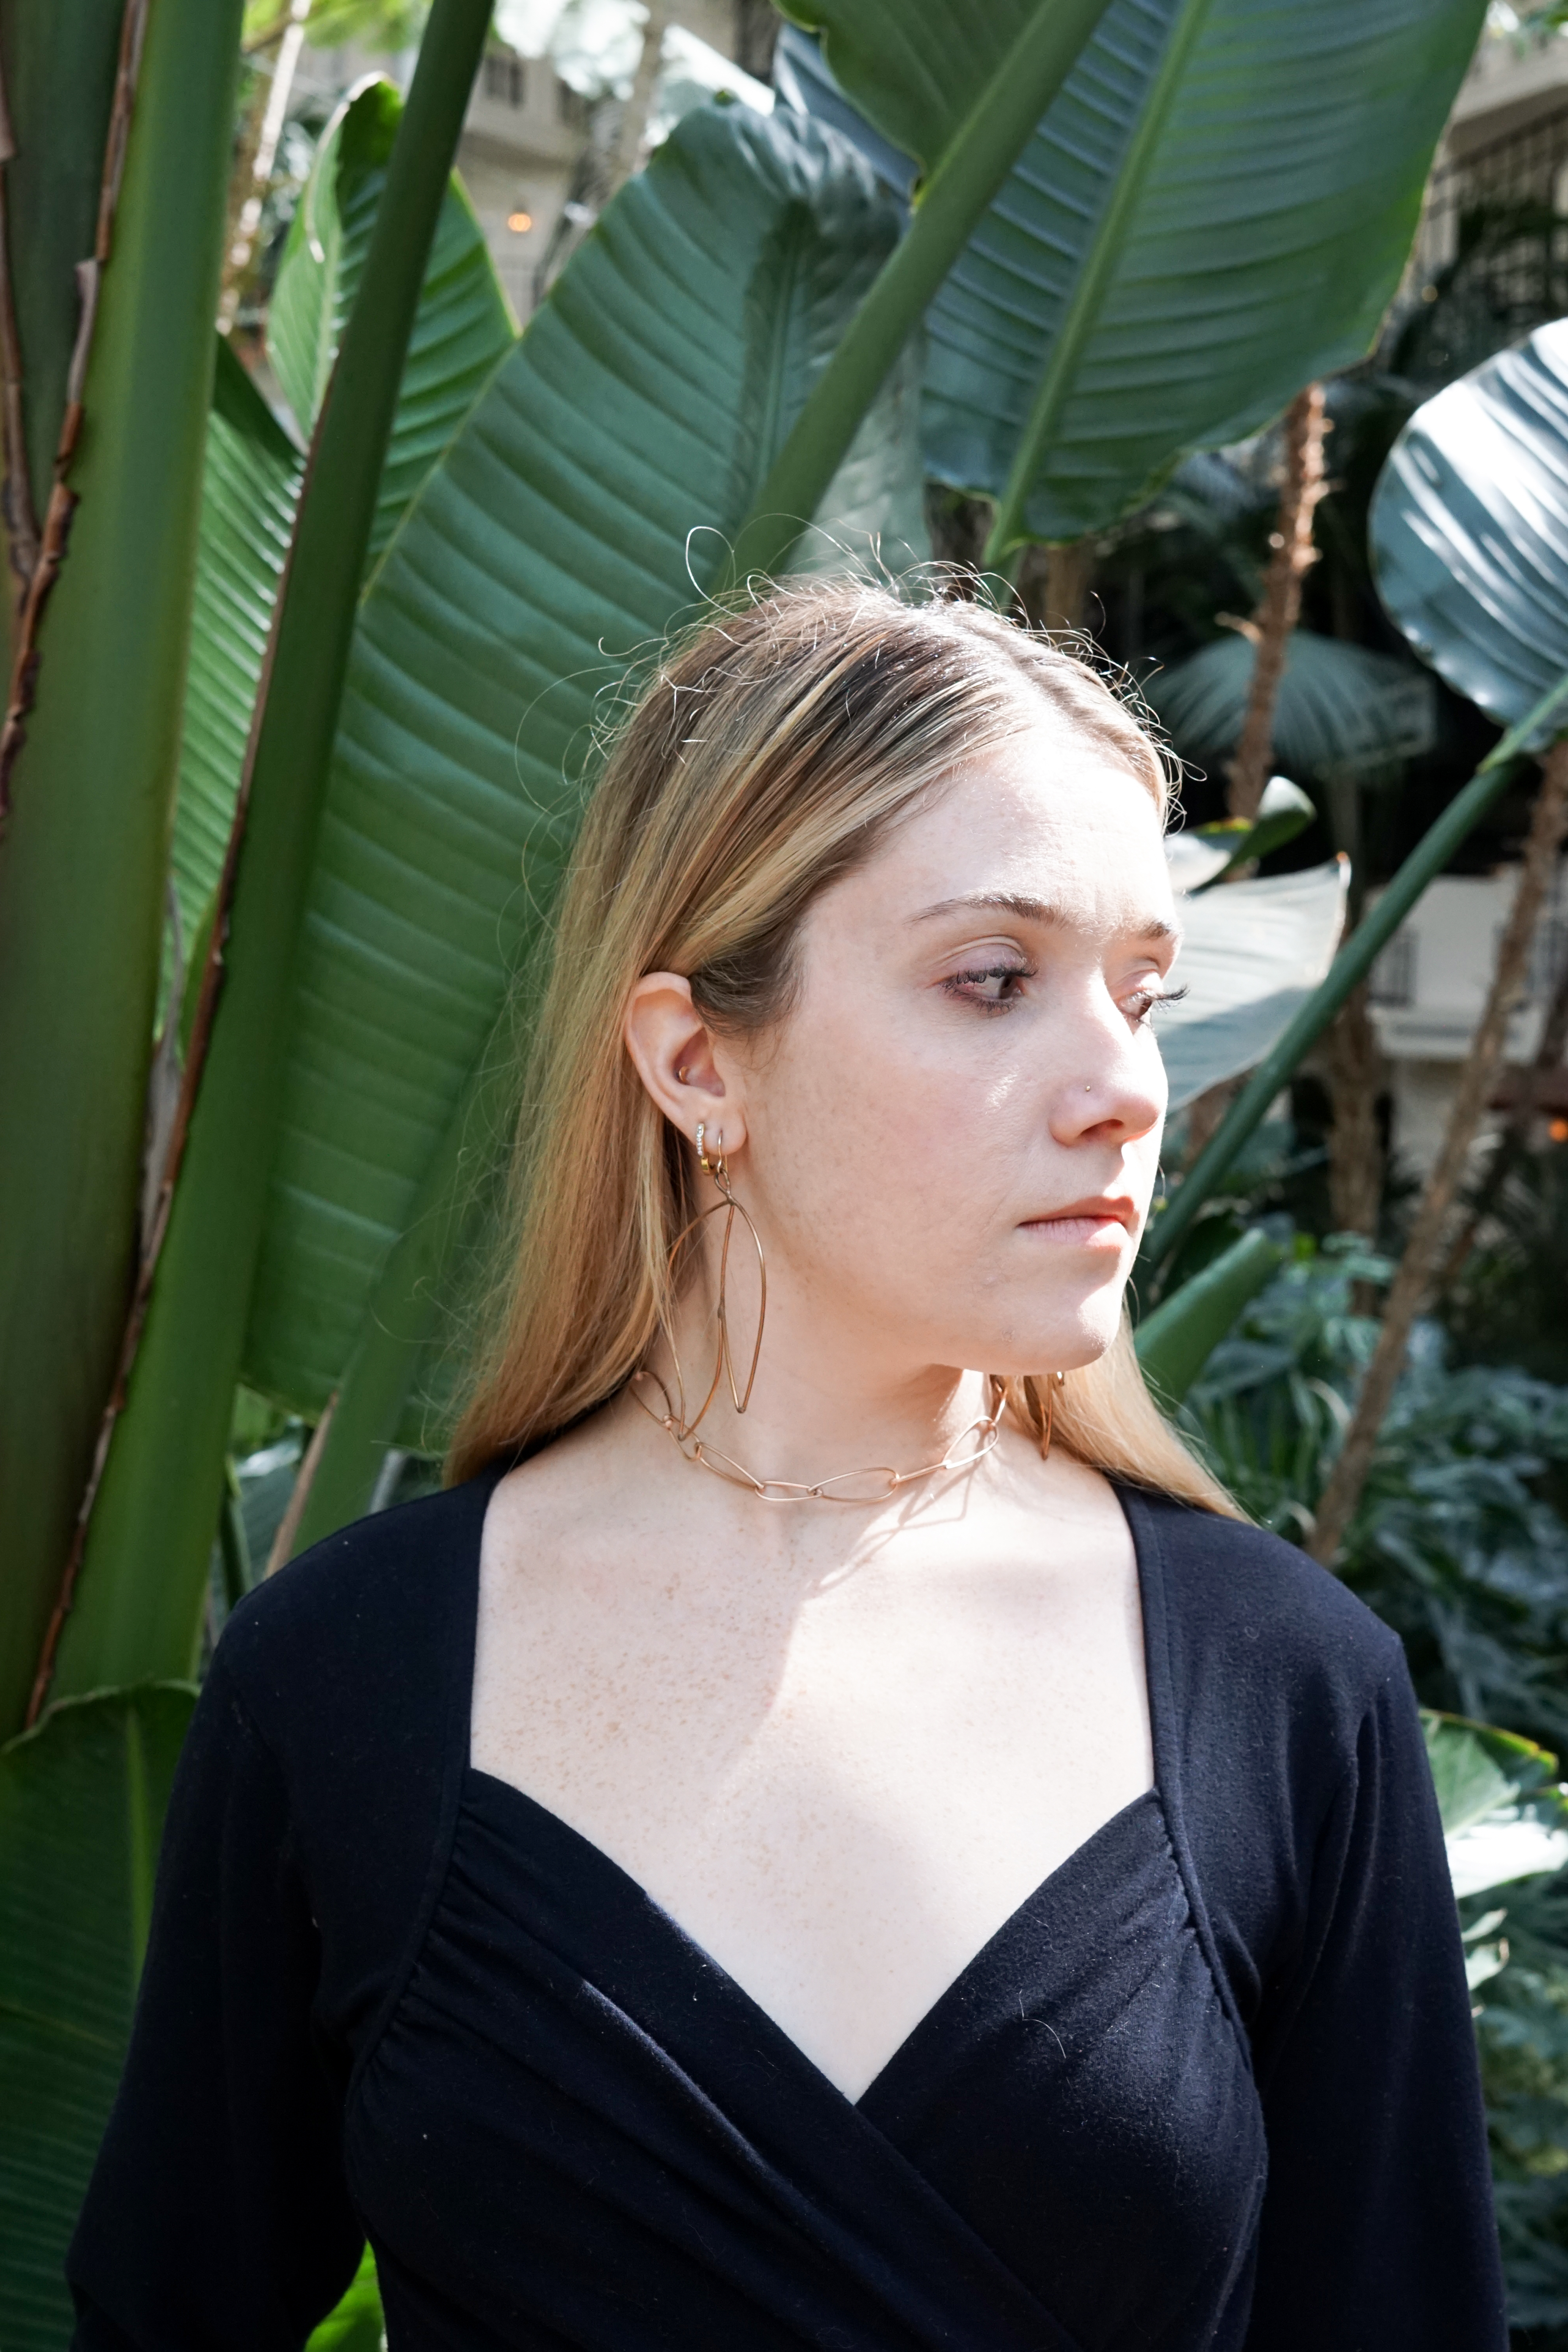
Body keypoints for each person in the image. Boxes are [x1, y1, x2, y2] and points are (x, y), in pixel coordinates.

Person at [69, 581, 1505, 2352]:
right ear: (694, 1061)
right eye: (993, 979)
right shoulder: (347, 1672)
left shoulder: (1284, 1688)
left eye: (1144, 988)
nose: (1127, 1083)